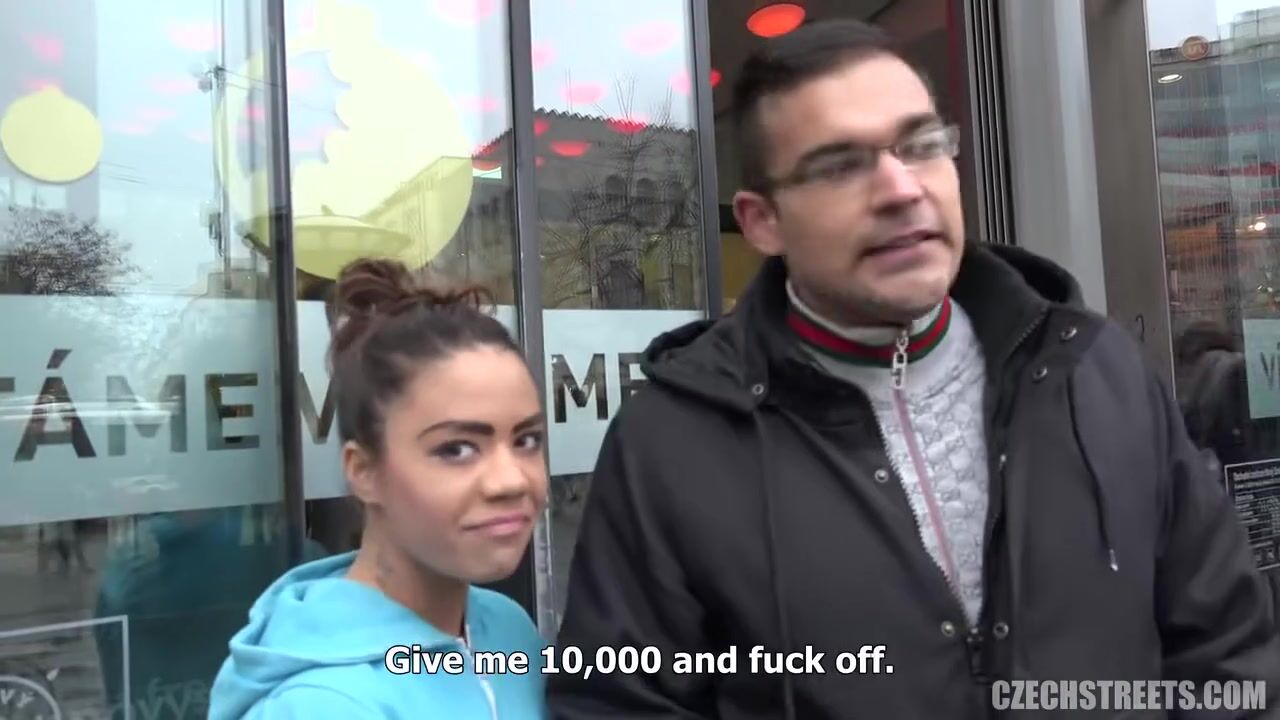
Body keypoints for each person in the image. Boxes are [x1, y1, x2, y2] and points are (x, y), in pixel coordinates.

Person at [547, 19, 1280, 719]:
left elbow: (1229, 659)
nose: (901, 188)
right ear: (762, 221)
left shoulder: (1096, 372)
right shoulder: (672, 442)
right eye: (839, 165)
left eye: (922, 145)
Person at [208, 258, 549, 719]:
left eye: (527, 440)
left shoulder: (508, 629)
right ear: (364, 471)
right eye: (457, 449)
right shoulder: (318, 706)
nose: (510, 480)